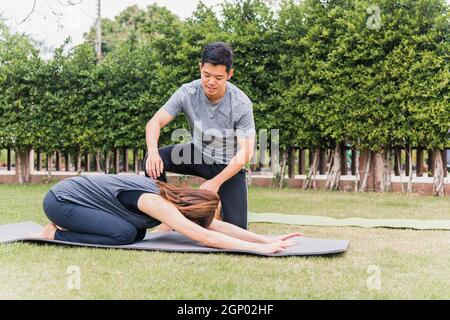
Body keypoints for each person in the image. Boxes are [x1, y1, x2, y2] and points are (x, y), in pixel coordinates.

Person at [32, 174, 301, 254]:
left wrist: (265, 239)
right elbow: (205, 236)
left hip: (79, 200)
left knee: (137, 232)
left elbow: (215, 229)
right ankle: (53, 232)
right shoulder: (158, 203)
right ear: (190, 211)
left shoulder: (170, 196)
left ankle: (62, 227)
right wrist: (257, 251)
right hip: (61, 200)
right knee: (124, 234)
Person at [144, 41, 255, 231]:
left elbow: (246, 152)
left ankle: (216, 210)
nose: (211, 82)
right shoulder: (187, 92)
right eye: (206, 75)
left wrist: (216, 183)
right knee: (153, 159)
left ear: (229, 74)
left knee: (237, 231)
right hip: (197, 154)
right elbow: (154, 122)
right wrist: (153, 152)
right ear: (200, 68)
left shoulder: (241, 104)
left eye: (219, 77)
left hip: (228, 165)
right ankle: (167, 214)